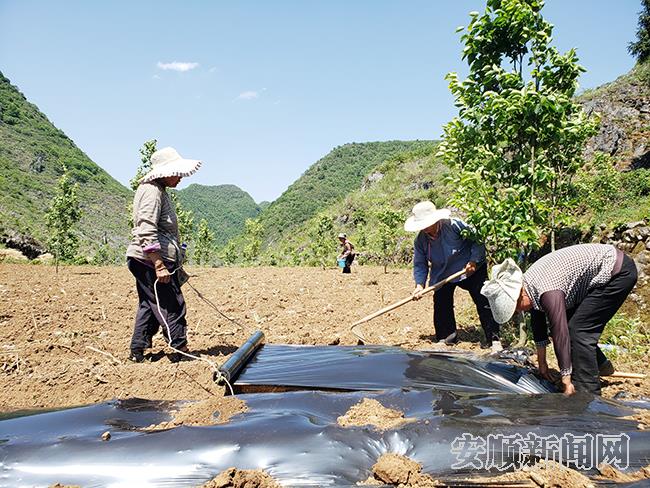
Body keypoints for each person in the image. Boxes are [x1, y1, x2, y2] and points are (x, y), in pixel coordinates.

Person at [481, 243, 637, 395]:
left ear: (520, 295)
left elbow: (560, 332)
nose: (518, 312)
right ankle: (601, 365)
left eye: (516, 308)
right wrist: (542, 363)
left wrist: (566, 378)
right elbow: (538, 324)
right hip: (595, 277)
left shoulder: (548, 291)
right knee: (573, 325)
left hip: (616, 273)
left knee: (578, 330)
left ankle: (587, 393)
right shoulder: (530, 286)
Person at [125, 147, 202, 363]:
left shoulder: (158, 190)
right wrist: (159, 263)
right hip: (149, 260)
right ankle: (181, 349)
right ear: (163, 172)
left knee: (149, 305)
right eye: (176, 173)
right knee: (171, 304)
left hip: (145, 259)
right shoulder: (151, 191)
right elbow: (146, 227)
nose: (180, 178)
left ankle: (137, 350)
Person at [405, 201, 501, 351]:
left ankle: (494, 338)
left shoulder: (454, 225)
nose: (424, 228)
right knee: (441, 303)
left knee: (483, 300)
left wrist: (474, 260)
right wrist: (419, 285)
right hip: (442, 273)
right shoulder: (421, 241)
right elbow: (420, 264)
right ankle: (446, 338)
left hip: (469, 268)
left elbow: (477, 238)